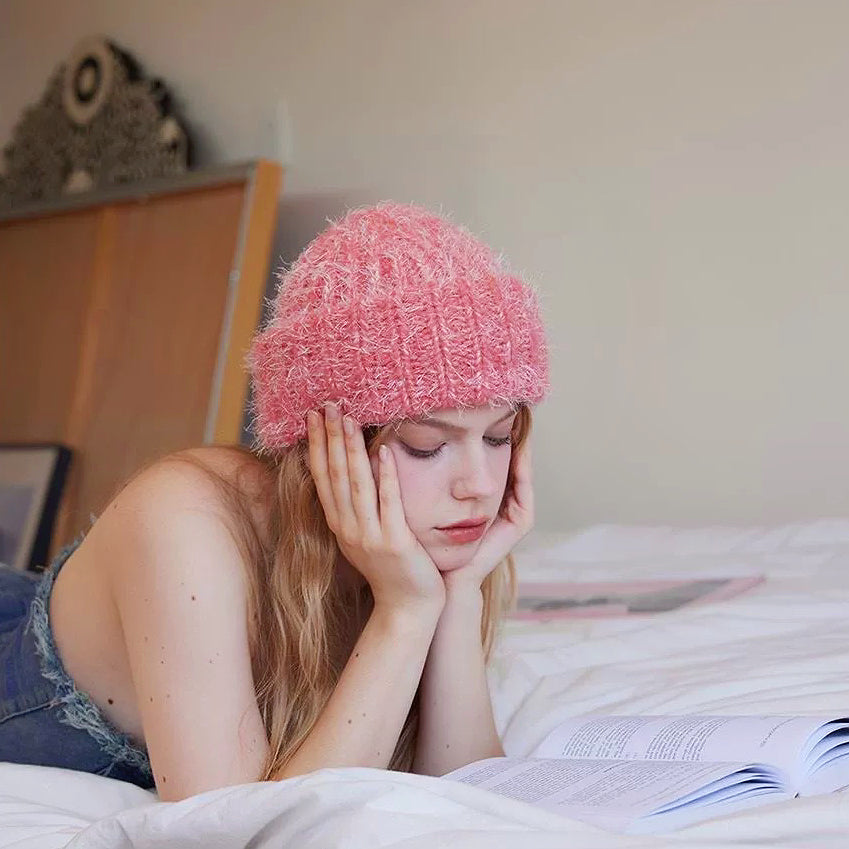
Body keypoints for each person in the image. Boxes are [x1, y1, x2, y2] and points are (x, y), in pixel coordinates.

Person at [0, 203, 549, 802]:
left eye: (499, 437)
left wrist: (456, 595)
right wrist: (405, 613)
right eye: (426, 445)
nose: (479, 484)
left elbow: (466, 792)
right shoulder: (183, 518)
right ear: (319, 448)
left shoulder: (429, 546)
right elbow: (240, 824)